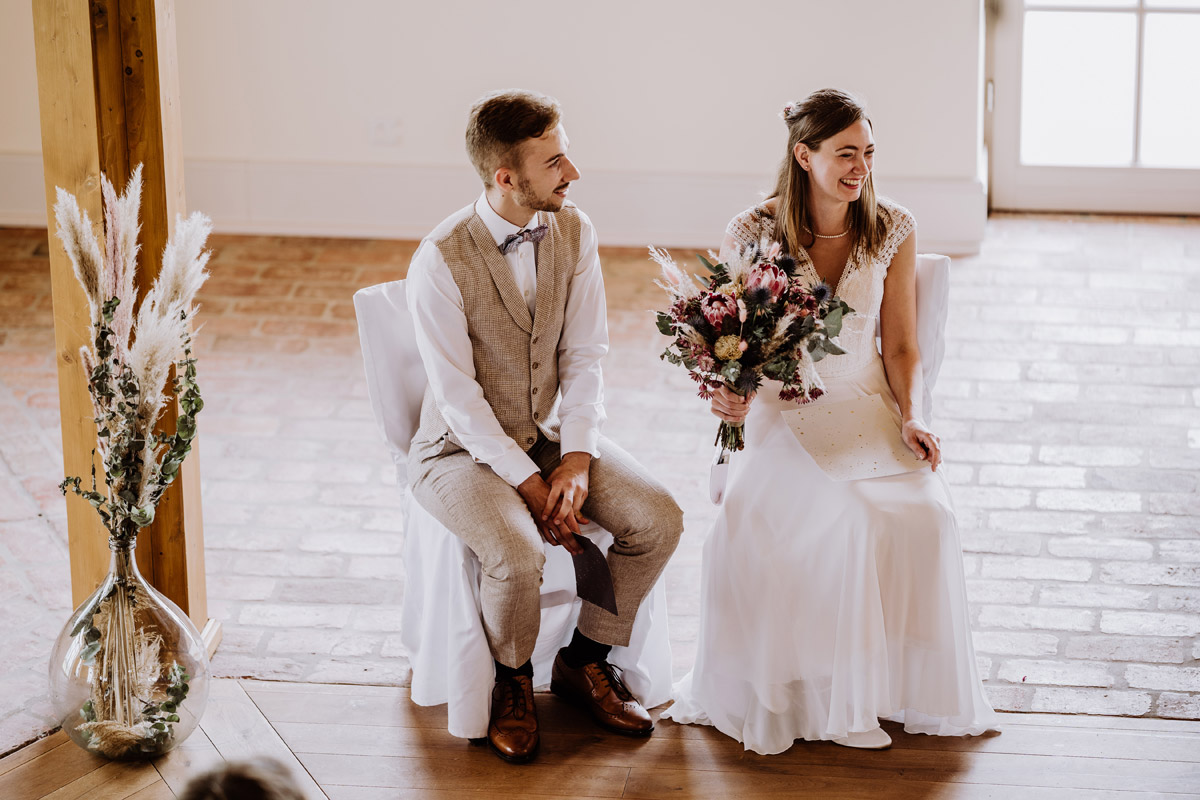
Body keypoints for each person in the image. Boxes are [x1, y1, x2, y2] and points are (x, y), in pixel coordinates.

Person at [661, 89, 998, 754]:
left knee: (926, 514)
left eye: (869, 153)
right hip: (783, 413)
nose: (861, 167)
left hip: (867, 405)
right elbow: (733, 346)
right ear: (803, 155)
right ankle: (814, 687)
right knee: (840, 517)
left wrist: (913, 416)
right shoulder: (753, 231)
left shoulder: (891, 226)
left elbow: (900, 346)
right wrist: (727, 394)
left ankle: (888, 684)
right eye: (846, 154)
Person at [406, 89, 684, 764]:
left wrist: (578, 458)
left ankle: (584, 659)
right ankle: (511, 682)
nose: (573, 173)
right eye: (555, 161)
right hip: (456, 452)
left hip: (548, 433)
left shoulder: (576, 232)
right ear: (507, 178)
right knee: (519, 553)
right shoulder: (439, 260)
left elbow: (586, 355)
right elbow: (459, 401)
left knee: (659, 518)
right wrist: (534, 488)